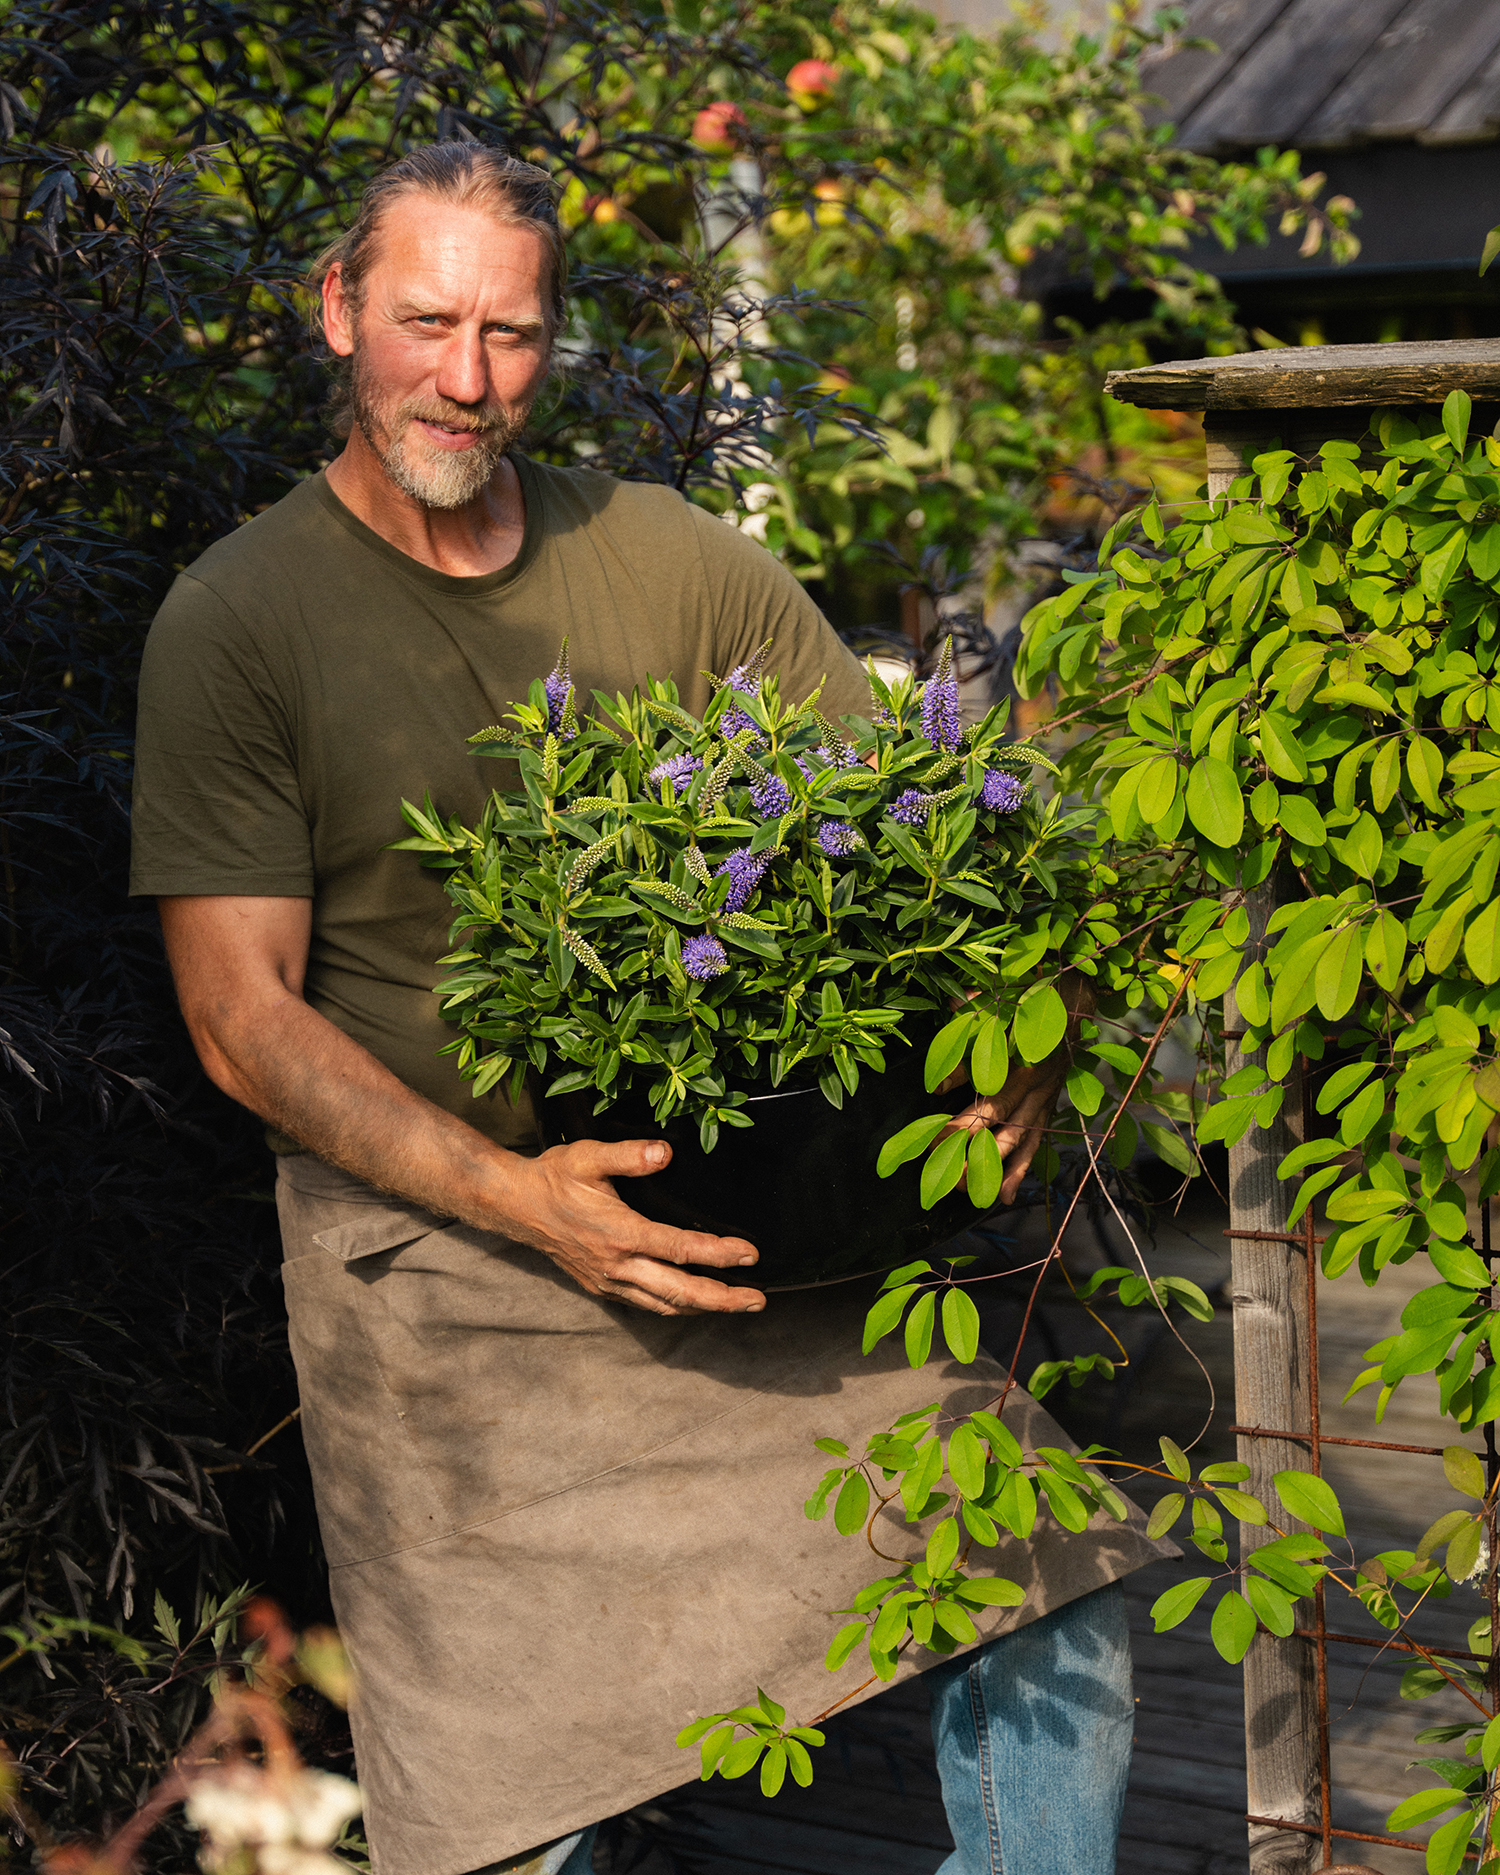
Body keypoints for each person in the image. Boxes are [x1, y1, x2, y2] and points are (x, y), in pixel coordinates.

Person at [130, 143, 1165, 1875]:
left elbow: (916, 835)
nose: (469, 379)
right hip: (440, 1273)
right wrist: (516, 1196)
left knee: (1044, 1565)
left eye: (514, 333)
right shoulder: (237, 620)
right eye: (427, 321)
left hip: (725, 1221)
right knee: (534, 1794)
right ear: (335, 313)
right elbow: (242, 1019)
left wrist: (1029, 1023)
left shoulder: (675, 563)